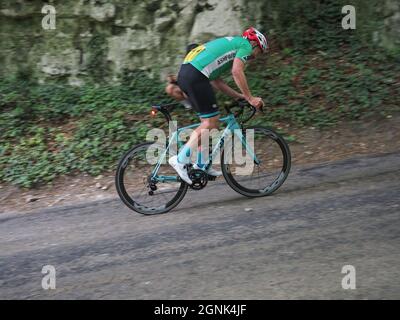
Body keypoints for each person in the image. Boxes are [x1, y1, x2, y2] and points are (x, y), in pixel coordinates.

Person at [169, 27, 269, 184]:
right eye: (259, 52)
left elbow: (217, 81)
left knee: (208, 124)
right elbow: (237, 71)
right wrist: (250, 98)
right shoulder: (245, 45)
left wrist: (239, 96)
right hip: (195, 76)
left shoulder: (231, 46)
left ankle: (201, 165)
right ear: (254, 44)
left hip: (189, 74)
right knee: (211, 122)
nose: (256, 56)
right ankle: (180, 160)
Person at [165, 43, 200, 109]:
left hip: (200, 86)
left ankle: (198, 106)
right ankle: (189, 106)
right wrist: (173, 80)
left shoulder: (202, 61)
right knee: (170, 88)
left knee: (186, 90)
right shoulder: (186, 62)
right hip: (186, 84)